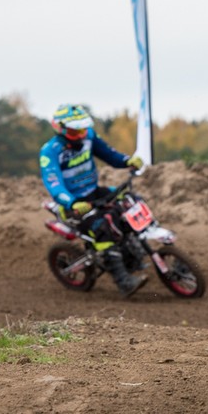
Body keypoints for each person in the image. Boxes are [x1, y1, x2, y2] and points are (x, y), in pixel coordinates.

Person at [39, 104, 148, 297]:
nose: (81, 133)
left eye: (83, 127)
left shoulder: (89, 136)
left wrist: (127, 161)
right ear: (62, 128)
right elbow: (54, 184)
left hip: (94, 191)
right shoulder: (50, 152)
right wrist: (72, 203)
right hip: (73, 204)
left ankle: (136, 251)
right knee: (103, 227)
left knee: (129, 201)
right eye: (76, 129)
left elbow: (108, 153)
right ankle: (123, 281)